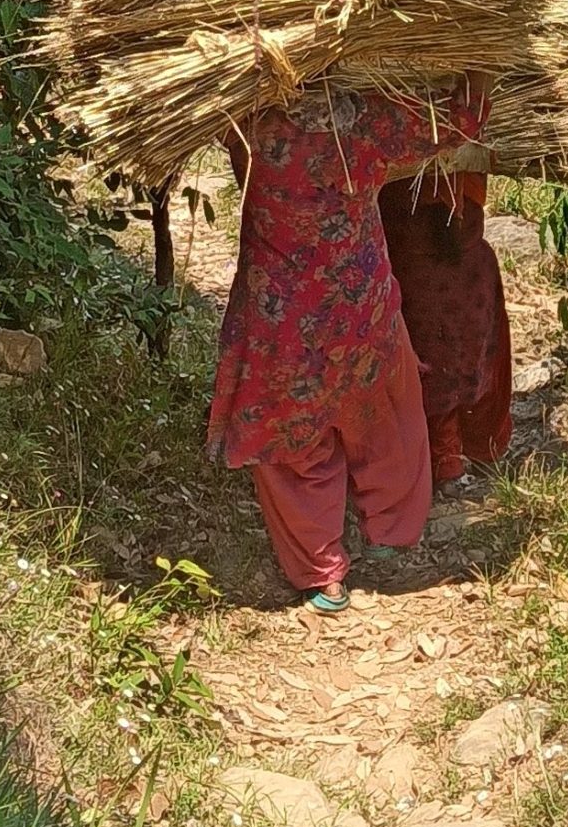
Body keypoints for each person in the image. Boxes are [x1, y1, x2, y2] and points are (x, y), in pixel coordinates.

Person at [210, 76, 490, 612]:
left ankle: (324, 573)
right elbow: (458, 126)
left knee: (295, 445)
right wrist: (481, 72)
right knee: (385, 422)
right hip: (361, 315)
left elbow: (204, 111)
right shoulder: (368, 123)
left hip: (281, 325)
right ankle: (388, 536)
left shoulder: (253, 128)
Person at [379, 167, 514, 491]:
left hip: (414, 270)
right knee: (473, 364)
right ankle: (475, 452)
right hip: (464, 272)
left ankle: (448, 460)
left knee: (430, 372)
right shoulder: (468, 138)